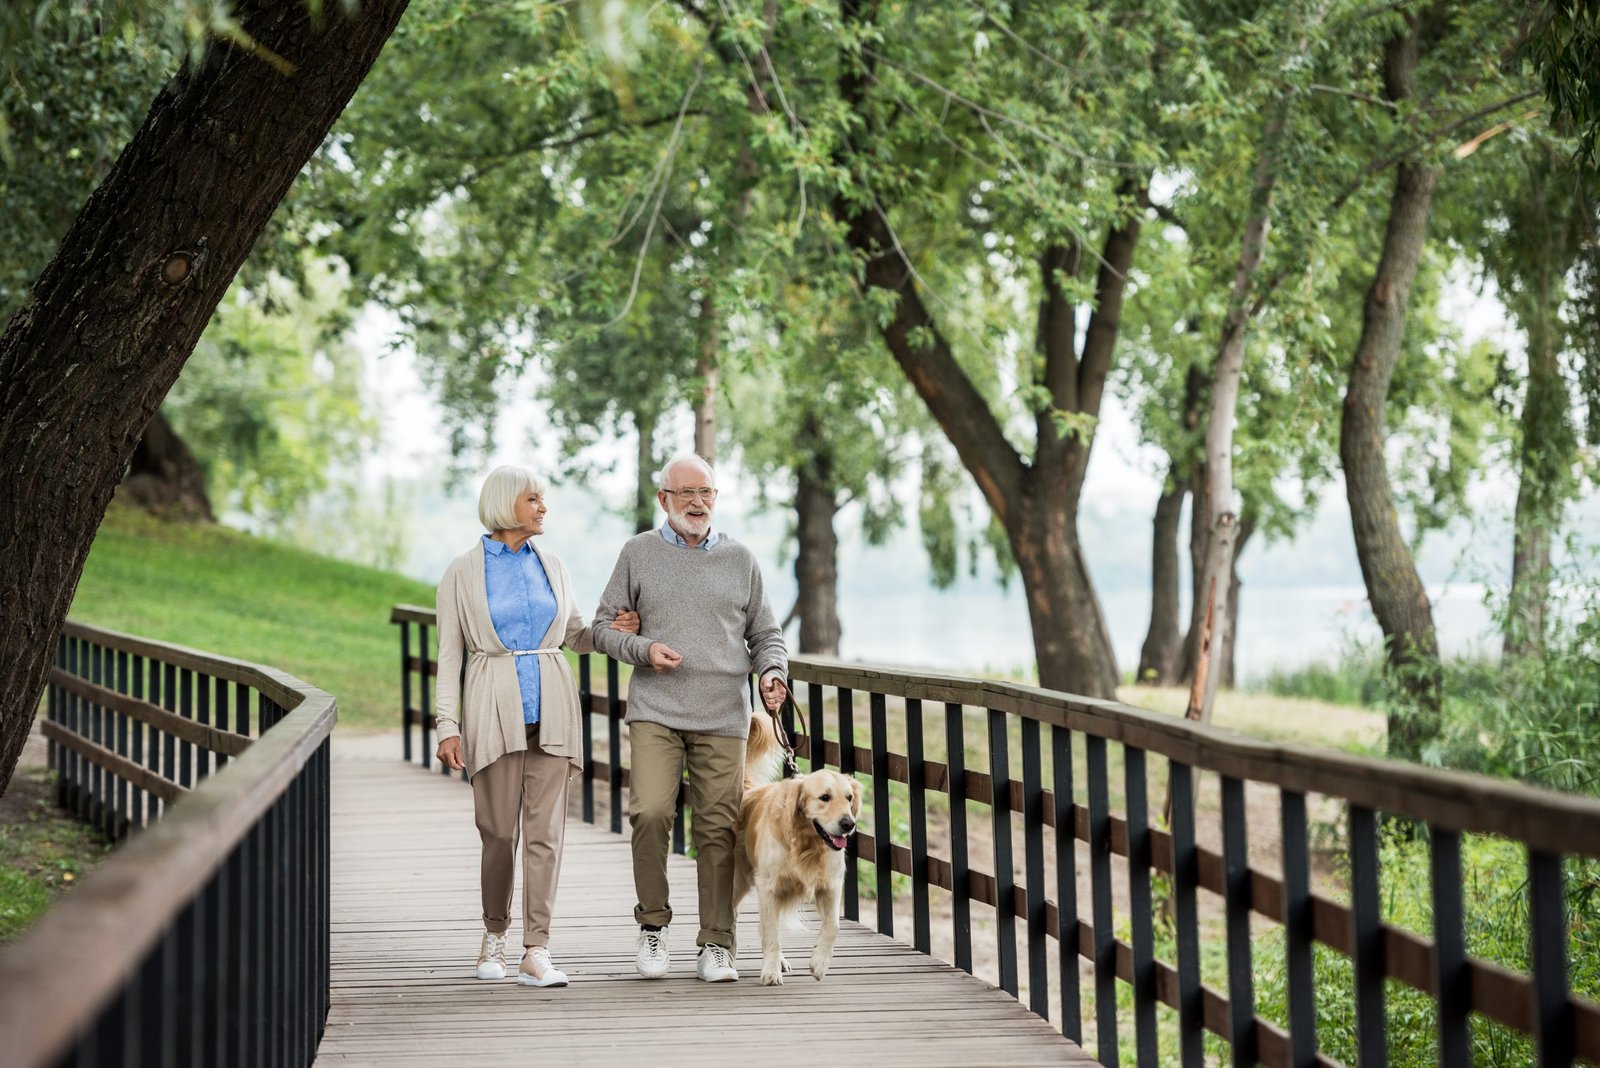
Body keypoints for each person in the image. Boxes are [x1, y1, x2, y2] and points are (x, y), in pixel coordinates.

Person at [433, 465, 639, 987]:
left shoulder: (554, 564)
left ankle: (536, 949)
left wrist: (613, 630)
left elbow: (574, 634)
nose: (543, 507)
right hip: (490, 708)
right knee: (498, 833)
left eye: (543, 499)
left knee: (546, 834)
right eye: (534, 499)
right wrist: (446, 724)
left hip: (553, 706)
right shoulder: (462, 571)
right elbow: (448, 655)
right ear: (507, 505)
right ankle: (494, 935)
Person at [591, 452, 789, 983]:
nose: (698, 503)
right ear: (664, 500)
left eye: (706, 493)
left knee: (718, 827)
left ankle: (717, 943)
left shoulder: (741, 560)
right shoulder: (638, 553)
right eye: (686, 494)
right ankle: (653, 927)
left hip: (724, 714)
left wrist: (772, 672)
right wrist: (645, 648)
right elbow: (603, 628)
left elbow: (766, 635)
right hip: (656, 708)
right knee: (651, 813)